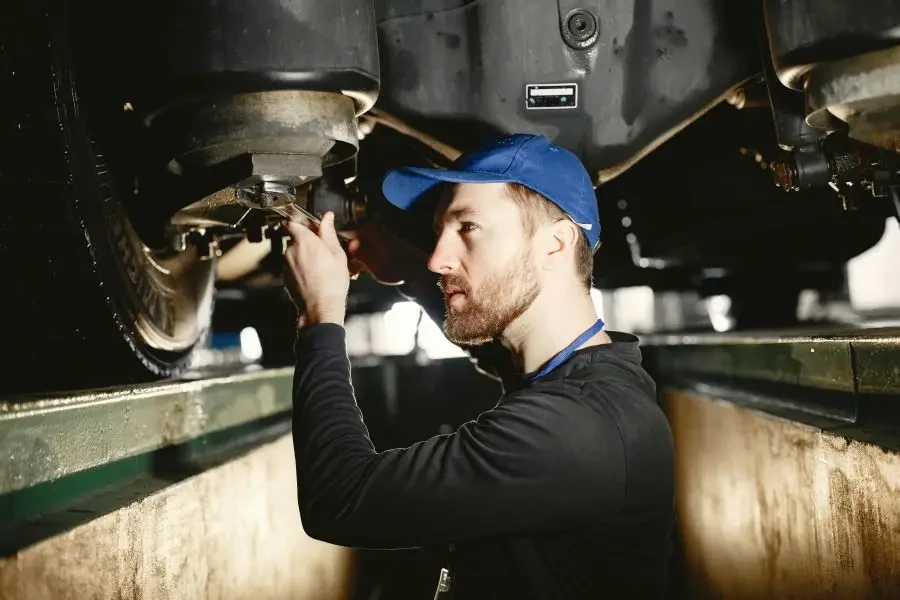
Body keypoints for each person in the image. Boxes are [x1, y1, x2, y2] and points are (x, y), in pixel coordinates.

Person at [282, 134, 675, 599]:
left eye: (468, 228)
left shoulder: (574, 428)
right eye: (439, 232)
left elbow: (339, 498)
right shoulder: (596, 378)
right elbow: (500, 353)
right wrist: (404, 268)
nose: (437, 259)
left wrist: (319, 317)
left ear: (555, 243)